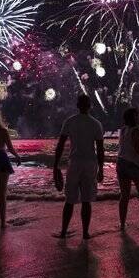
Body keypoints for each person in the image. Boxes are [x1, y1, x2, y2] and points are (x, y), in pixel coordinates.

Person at [53, 94, 104, 239]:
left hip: (74, 163)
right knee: (87, 200)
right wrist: (101, 168)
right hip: (90, 163)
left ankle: (63, 231)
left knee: (69, 200)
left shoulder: (70, 121)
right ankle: (85, 233)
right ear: (90, 106)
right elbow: (100, 149)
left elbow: (60, 145)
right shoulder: (96, 123)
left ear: (77, 105)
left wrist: (55, 165)